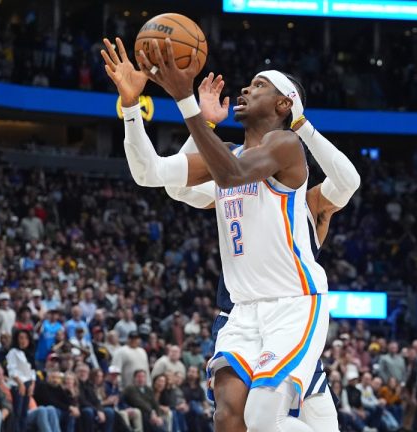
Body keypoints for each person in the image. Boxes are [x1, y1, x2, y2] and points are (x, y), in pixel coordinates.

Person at [103, 39, 359, 431]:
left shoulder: (287, 146)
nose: (244, 89)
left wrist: (185, 102)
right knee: (226, 417)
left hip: (292, 304)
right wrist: (131, 107)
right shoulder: (226, 153)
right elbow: (149, 173)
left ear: (282, 105)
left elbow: (233, 175)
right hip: (241, 311)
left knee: (262, 418)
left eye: (259, 85)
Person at [6, 330, 36, 431]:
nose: (24, 340)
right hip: (17, 385)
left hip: (28, 384)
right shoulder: (13, 352)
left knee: (24, 413)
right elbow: (11, 370)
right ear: (16, 339)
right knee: (17, 413)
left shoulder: (29, 353)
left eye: (26, 338)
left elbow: (32, 370)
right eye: (21, 338)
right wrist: (20, 384)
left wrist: (32, 385)